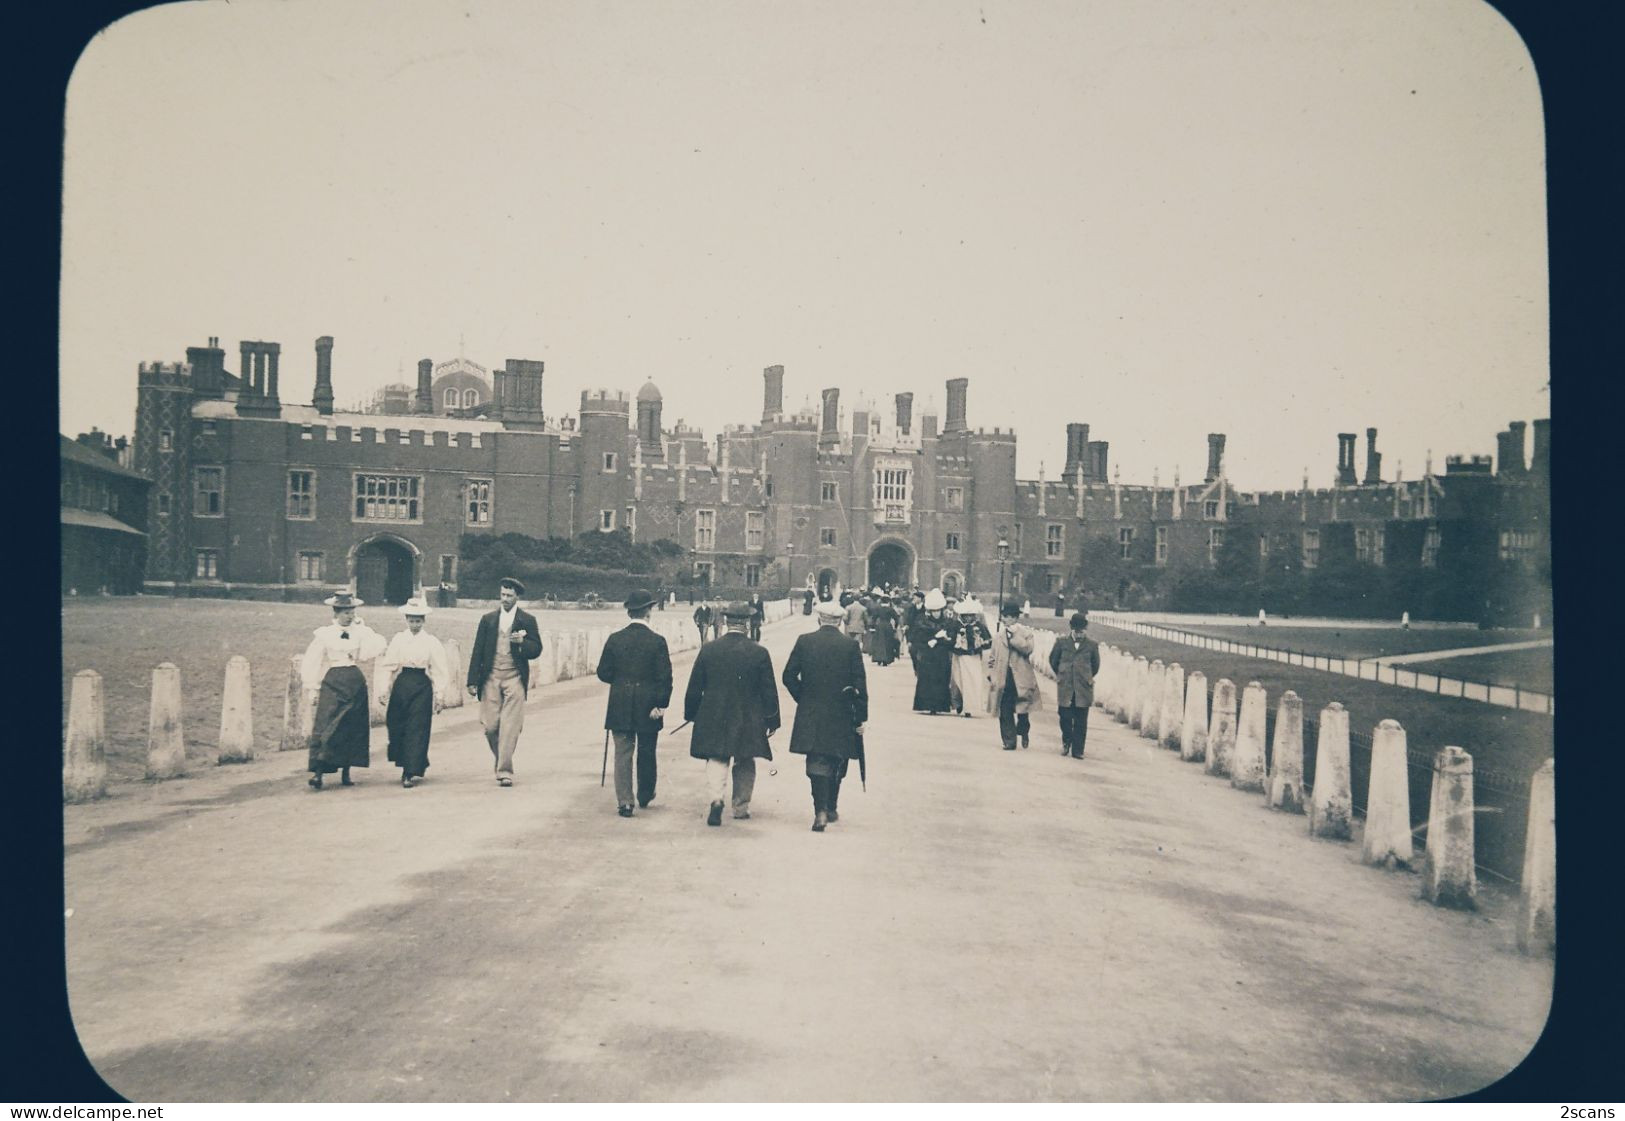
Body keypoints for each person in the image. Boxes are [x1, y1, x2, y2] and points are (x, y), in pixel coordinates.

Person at [684, 602, 781, 825]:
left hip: (714, 712)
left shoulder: (709, 649)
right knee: (745, 758)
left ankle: (716, 799)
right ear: (747, 624)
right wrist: (772, 719)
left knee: (717, 756)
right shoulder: (759, 652)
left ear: (726, 622)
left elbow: (695, 685)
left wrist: (691, 713)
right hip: (748, 714)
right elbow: (769, 690)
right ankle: (740, 807)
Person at [782, 599, 868, 831]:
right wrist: (860, 717)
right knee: (836, 758)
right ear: (840, 621)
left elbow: (788, 676)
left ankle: (820, 810)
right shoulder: (850, 646)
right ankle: (830, 806)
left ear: (820, 619)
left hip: (811, 711)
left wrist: (804, 697)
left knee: (816, 760)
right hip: (841, 712)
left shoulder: (805, 641)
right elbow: (860, 684)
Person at [596, 588, 673, 816]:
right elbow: (665, 677)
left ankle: (625, 802)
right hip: (648, 705)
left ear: (629, 612)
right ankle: (645, 794)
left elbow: (603, 673)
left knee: (622, 752)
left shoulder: (615, 639)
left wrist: (620, 681)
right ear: (648, 611)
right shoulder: (657, 641)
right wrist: (661, 704)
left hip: (620, 702)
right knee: (647, 750)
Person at [301, 590, 388, 791]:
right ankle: (318, 773)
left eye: (352, 611)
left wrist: (363, 628)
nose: (350, 615)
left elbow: (377, 647)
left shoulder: (360, 632)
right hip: (333, 681)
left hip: (354, 681)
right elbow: (312, 661)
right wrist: (312, 688)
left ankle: (346, 772)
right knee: (327, 725)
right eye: (346, 612)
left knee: (351, 727)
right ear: (336, 612)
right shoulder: (324, 634)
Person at [465, 577, 544, 786]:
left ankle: (504, 770)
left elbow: (537, 649)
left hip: (514, 677)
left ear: (517, 597)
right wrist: (472, 680)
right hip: (490, 677)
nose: (505, 599)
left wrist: (522, 643)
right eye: (502, 595)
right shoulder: (488, 620)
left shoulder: (527, 620)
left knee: (510, 727)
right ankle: (502, 758)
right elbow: (478, 650)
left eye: (509, 596)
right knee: (491, 726)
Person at [376, 596, 451, 788]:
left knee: (417, 728)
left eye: (418, 621)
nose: (415, 624)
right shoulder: (399, 639)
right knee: (397, 725)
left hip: (421, 686)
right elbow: (389, 665)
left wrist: (439, 695)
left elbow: (439, 669)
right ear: (406, 620)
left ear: (424, 621)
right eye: (411, 620)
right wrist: (385, 689)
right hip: (402, 684)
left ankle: (409, 771)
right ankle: (406, 761)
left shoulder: (431, 642)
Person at [988, 598, 1039, 749]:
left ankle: (1023, 730)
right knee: (1005, 709)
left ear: (1015, 618)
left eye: (1008, 616)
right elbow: (992, 658)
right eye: (1004, 616)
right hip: (1004, 678)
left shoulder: (1025, 634)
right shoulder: (998, 637)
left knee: (1022, 709)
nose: (1005, 619)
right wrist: (991, 673)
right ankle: (1009, 741)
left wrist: (1014, 638)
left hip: (1021, 678)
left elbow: (1028, 649)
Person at [1048, 612, 1100, 759]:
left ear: (1086, 629)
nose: (1079, 633)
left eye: (1082, 630)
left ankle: (1078, 750)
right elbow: (1053, 660)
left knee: (1081, 720)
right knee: (1064, 716)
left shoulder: (1092, 645)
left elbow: (1095, 666)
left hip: (1083, 688)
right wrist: (1062, 675)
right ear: (1071, 628)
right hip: (1066, 687)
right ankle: (1067, 740)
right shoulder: (1061, 642)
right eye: (1076, 629)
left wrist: (1085, 676)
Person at [907, 589, 958, 714]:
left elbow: (952, 641)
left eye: (938, 611)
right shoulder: (922, 622)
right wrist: (930, 641)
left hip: (941, 656)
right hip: (927, 656)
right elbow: (917, 640)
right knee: (927, 680)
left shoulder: (948, 623)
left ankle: (939, 705)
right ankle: (927, 705)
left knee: (941, 680)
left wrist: (940, 641)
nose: (936, 614)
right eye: (934, 611)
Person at [950, 598, 992, 717]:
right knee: (958, 680)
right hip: (959, 656)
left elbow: (988, 641)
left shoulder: (979, 626)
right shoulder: (956, 625)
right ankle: (958, 703)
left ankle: (969, 706)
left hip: (974, 657)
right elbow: (950, 640)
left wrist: (981, 643)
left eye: (970, 616)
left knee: (972, 681)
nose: (968, 618)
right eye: (965, 616)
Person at [868, 590, 900, 666]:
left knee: (879, 643)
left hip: (880, 626)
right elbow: (896, 619)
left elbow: (873, 618)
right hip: (888, 626)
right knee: (888, 643)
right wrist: (895, 627)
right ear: (888, 601)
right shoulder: (890, 609)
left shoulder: (878, 608)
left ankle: (879, 659)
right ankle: (886, 660)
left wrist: (872, 627)